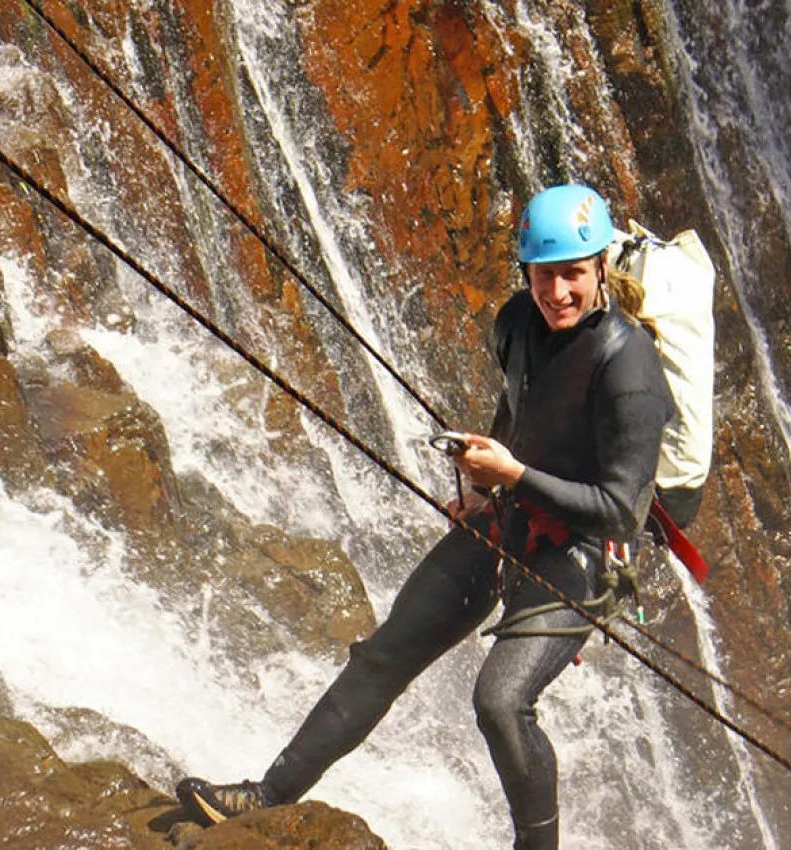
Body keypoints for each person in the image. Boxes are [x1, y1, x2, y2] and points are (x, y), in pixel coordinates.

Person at [176, 184, 674, 850]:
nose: (557, 292)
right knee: (384, 654)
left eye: (572, 275)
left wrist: (512, 475)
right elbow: (521, 411)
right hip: (509, 516)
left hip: (581, 551)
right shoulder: (517, 324)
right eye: (543, 275)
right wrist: (485, 489)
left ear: (600, 270)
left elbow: (619, 513)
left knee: (501, 703)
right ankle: (266, 795)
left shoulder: (628, 365)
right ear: (525, 271)